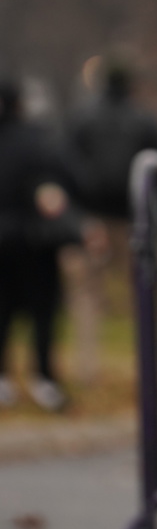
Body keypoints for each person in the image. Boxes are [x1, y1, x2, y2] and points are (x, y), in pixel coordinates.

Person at [67, 58, 157, 382]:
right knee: (142, 292)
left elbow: (66, 161)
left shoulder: (82, 118)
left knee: (85, 293)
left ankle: (86, 368)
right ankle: (148, 367)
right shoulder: (144, 121)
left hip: (91, 218)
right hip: (132, 218)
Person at [0, 77, 81, 410]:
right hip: (37, 243)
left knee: (2, 311)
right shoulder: (38, 139)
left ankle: (4, 380)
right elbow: (69, 178)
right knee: (43, 313)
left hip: (6, 243)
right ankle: (44, 378)